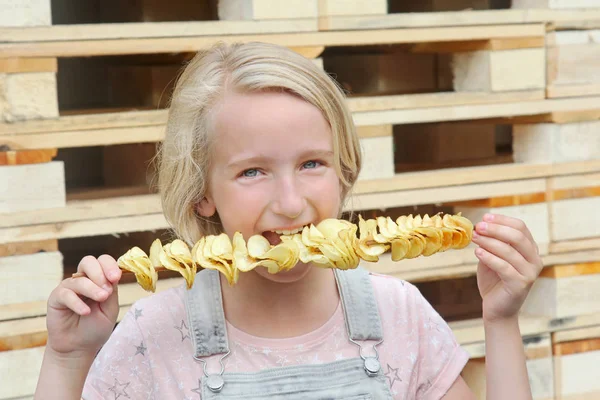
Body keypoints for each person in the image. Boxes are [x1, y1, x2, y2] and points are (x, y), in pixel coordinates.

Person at [35, 41, 543, 400]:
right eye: (252, 171)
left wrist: (499, 321)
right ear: (201, 194)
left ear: (343, 170)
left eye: (311, 164)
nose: (291, 201)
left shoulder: (400, 317)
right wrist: (67, 361)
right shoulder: (154, 336)